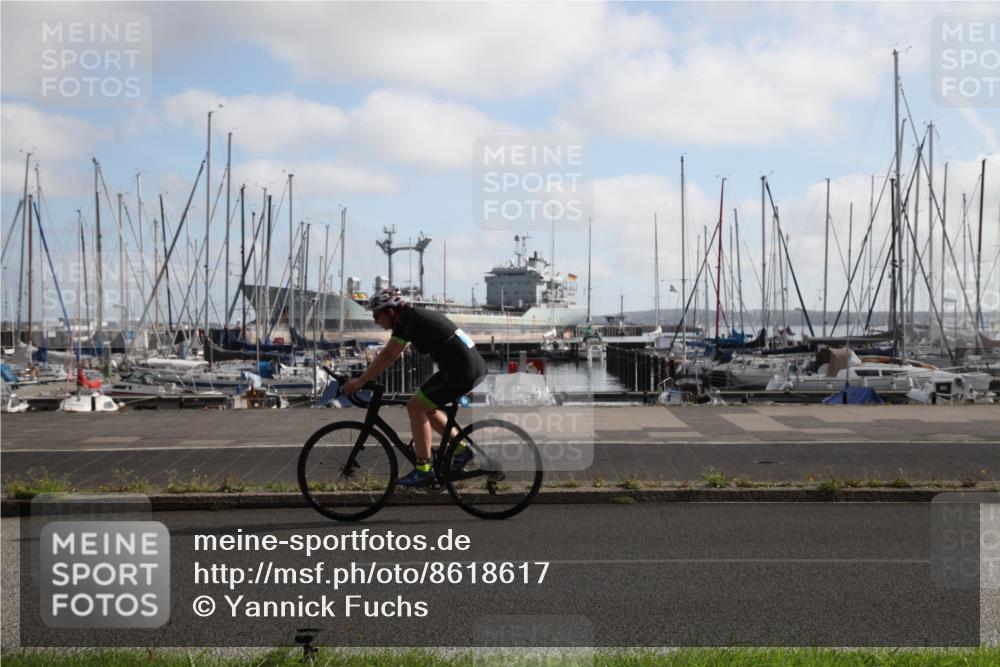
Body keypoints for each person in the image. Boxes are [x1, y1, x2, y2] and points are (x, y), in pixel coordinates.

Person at [341, 288, 487, 486]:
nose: (375, 320)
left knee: (415, 406)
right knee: (425, 406)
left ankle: (424, 469)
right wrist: (367, 378)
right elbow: (390, 356)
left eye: (376, 315)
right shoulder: (412, 317)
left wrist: (360, 381)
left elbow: (388, 355)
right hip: (465, 367)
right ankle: (461, 451)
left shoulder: (407, 320)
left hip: (462, 370)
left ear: (390, 312)